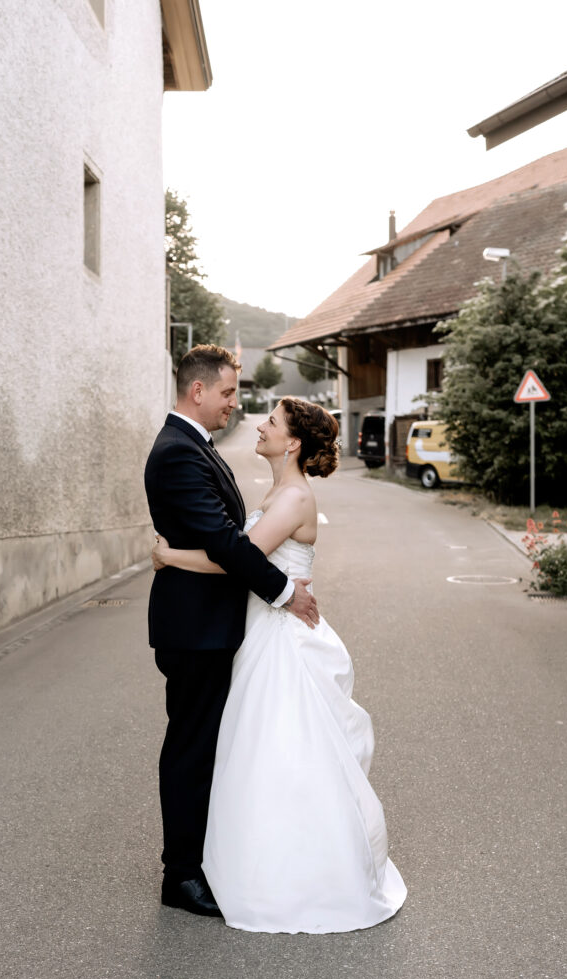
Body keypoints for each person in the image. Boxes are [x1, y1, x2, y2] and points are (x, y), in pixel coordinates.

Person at [152, 396, 407, 933]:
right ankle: (242, 857)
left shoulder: (293, 497)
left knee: (284, 750)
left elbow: (237, 559)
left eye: (271, 421)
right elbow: (238, 551)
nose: (260, 425)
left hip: (281, 638)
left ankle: (295, 871)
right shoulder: (279, 491)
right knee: (256, 748)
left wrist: (170, 556)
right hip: (260, 630)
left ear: (292, 442)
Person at [144, 345, 319, 918]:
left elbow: (227, 541)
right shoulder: (178, 452)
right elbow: (225, 544)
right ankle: (181, 875)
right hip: (194, 631)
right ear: (197, 390)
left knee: (211, 748)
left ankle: (206, 860)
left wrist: (172, 556)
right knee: (191, 750)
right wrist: (286, 592)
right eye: (227, 393)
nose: (234, 405)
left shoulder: (194, 446)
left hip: (212, 627)